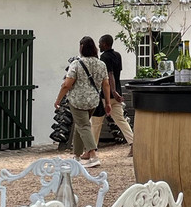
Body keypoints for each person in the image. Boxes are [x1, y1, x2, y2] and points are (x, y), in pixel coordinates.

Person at [54, 36, 110, 169]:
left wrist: (58, 100)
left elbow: (67, 84)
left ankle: (93, 155)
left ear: (82, 47)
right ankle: (77, 156)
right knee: (80, 125)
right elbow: (106, 84)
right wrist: (107, 103)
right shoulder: (101, 64)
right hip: (93, 101)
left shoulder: (76, 64)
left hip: (77, 101)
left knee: (83, 125)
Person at [90, 34, 135, 152]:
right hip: (117, 94)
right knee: (121, 120)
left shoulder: (104, 57)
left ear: (105, 44)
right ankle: (133, 143)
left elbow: (110, 74)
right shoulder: (118, 55)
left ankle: (92, 148)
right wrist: (117, 92)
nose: (99, 45)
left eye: (100, 43)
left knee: (96, 122)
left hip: (106, 95)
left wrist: (113, 91)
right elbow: (117, 74)